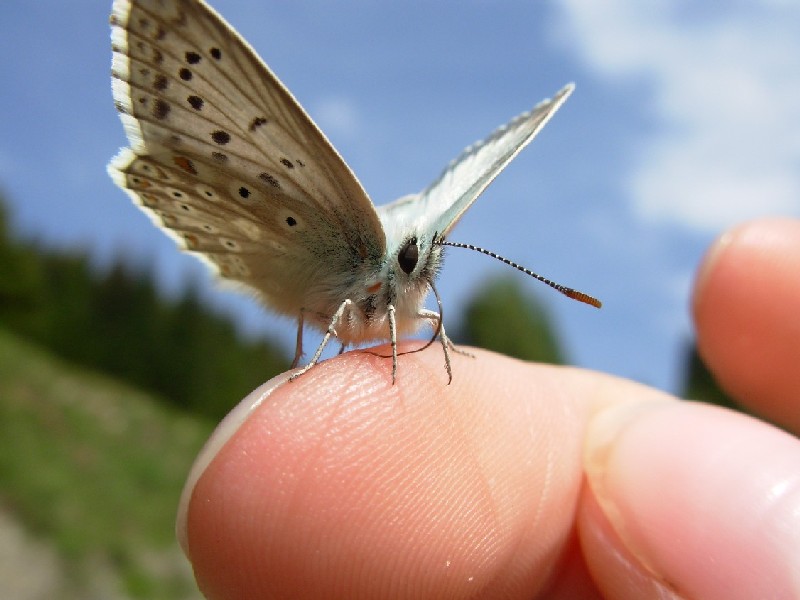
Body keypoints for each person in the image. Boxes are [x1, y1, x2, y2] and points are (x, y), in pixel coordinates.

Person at [176, 218, 799, 599]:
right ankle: (307, 367)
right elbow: (348, 314)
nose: (429, 280)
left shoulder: (415, 299)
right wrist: (312, 364)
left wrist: (433, 344)